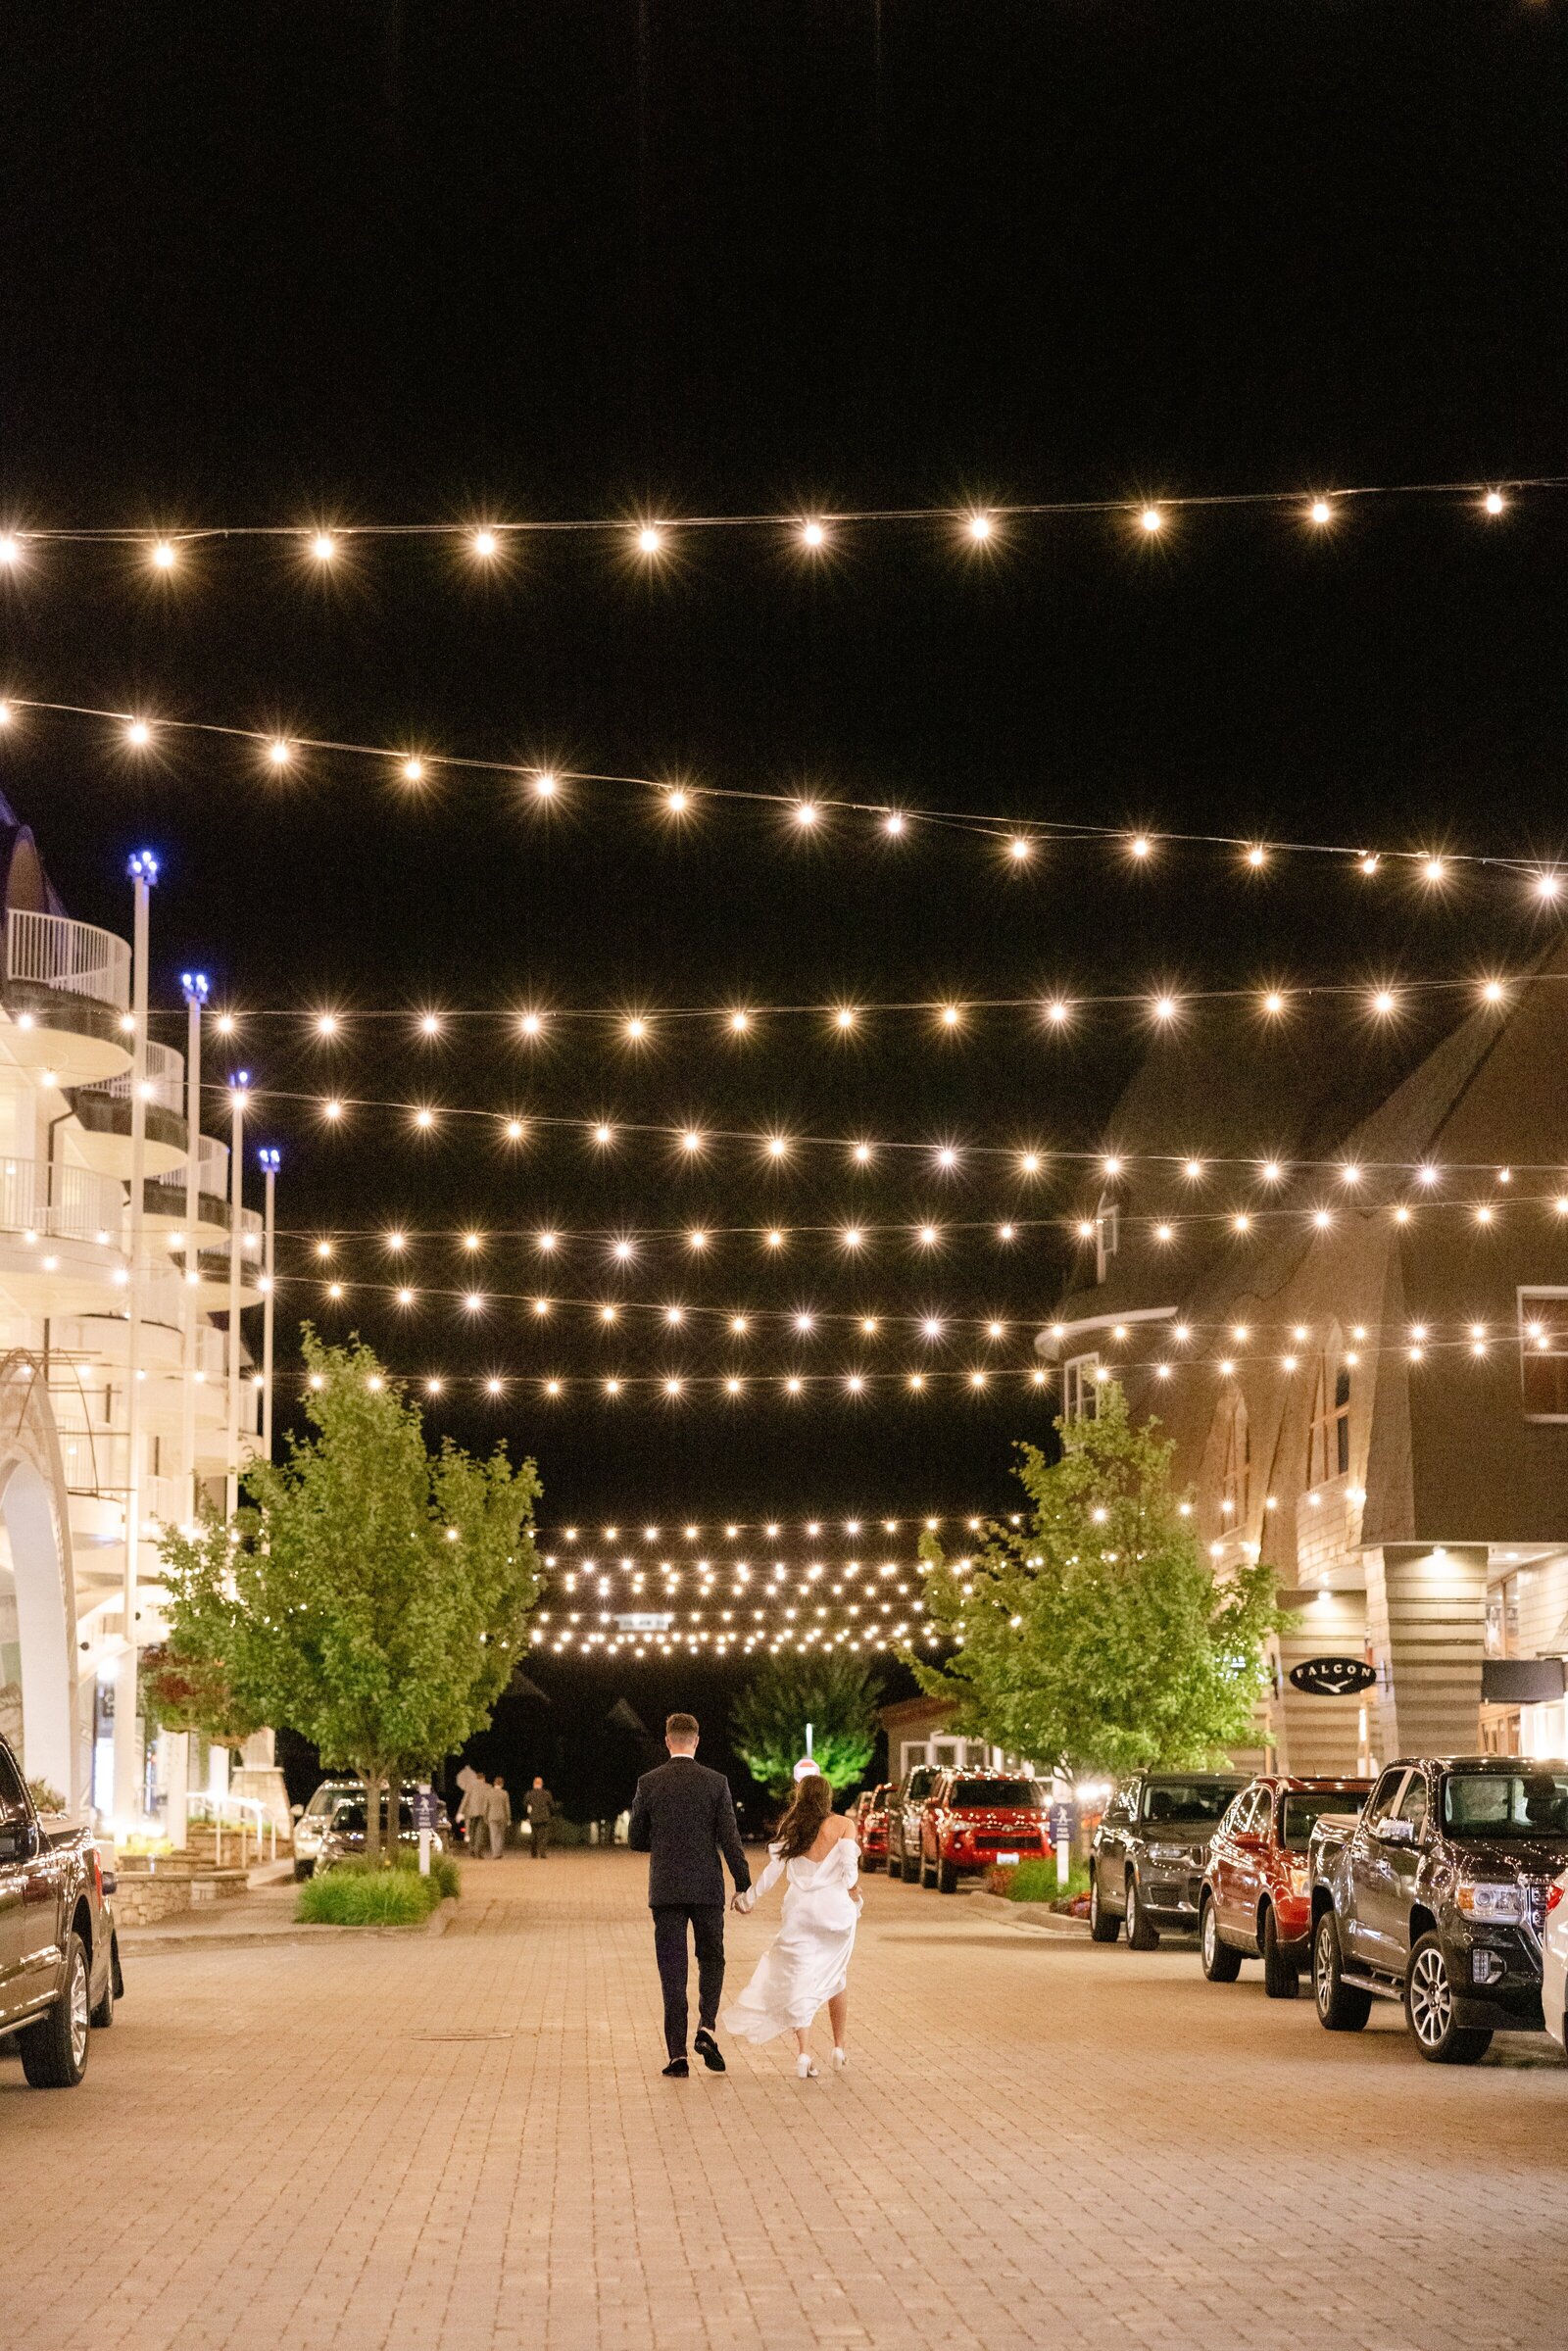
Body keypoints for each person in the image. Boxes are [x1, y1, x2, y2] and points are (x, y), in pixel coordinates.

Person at [627, 1712, 751, 2080]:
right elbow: (730, 1838)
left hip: (665, 1889)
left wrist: (664, 1843)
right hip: (707, 1888)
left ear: (667, 1741)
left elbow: (635, 1839)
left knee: (673, 1971)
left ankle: (677, 2055)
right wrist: (744, 1884)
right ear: (696, 1741)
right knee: (712, 1959)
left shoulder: (648, 1783)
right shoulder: (716, 1783)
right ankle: (706, 2027)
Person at [723, 1769, 860, 2080]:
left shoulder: (793, 1827)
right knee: (836, 1975)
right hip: (835, 1913)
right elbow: (850, 1873)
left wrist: (748, 1900)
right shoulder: (844, 1825)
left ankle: (803, 2054)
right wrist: (851, 1887)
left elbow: (772, 1873)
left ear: (800, 1798)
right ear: (828, 1797)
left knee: (801, 1979)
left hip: (800, 1911)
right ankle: (839, 2047)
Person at [458, 1770, 490, 1859]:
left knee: (472, 1832)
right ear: (483, 1779)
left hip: (471, 1813)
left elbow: (465, 1800)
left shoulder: (470, 1787)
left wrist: (460, 1812)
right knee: (480, 1832)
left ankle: (472, 1849)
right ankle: (478, 1851)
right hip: (483, 1813)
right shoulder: (488, 1787)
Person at [524, 1776, 555, 1858]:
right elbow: (551, 1805)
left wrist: (528, 1814)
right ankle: (542, 1853)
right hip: (544, 1817)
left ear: (534, 1784)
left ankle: (534, 1853)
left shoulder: (529, 1793)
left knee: (534, 1835)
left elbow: (525, 1805)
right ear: (542, 1784)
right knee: (543, 1836)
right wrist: (551, 1814)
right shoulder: (546, 1793)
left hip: (533, 1817)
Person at [485, 1773, 513, 1857]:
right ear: (502, 1784)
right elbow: (507, 1806)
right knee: (501, 1835)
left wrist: (485, 1816)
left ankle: (495, 1853)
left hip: (492, 1816)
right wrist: (508, 1817)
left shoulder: (489, 1793)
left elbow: (486, 1806)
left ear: (494, 1783)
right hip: (502, 1816)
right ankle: (499, 1852)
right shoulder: (504, 1793)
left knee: (493, 1835)